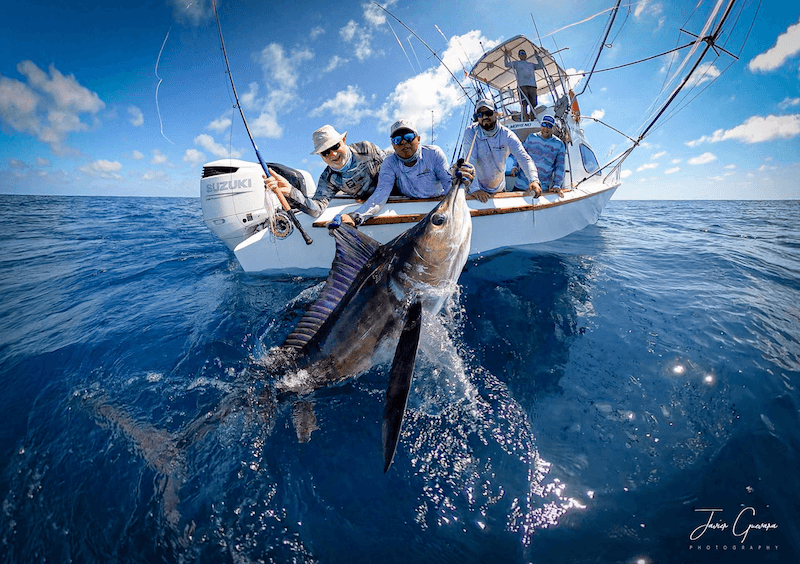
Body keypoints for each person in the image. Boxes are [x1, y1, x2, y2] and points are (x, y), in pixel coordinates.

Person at [333, 119, 475, 227]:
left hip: (437, 201)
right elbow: (380, 195)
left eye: (408, 137)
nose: (404, 143)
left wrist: (462, 181)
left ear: (418, 139)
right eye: (397, 140)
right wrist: (356, 216)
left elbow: (449, 186)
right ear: (393, 145)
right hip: (409, 200)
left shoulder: (434, 153)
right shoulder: (389, 163)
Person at [263, 125, 385, 218]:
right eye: (325, 152)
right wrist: (290, 191)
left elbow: (393, 166)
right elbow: (316, 209)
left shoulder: (366, 149)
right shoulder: (328, 179)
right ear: (320, 155)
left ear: (344, 140)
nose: (333, 154)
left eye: (335, 146)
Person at [461, 98, 541, 203]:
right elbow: (470, 161)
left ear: (496, 114)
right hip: (476, 190)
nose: (484, 117)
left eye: (488, 113)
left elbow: (523, 158)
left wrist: (534, 180)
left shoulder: (507, 135)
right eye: (480, 115)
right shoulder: (470, 132)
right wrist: (475, 189)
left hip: (499, 190)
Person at [522, 114, 566, 196]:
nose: (546, 128)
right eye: (544, 124)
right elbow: (521, 155)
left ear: (553, 128)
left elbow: (560, 166)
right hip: (521, 184)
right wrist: (514, 167)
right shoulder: (531, 137)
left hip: (542, 187)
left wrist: (557, 185)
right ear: (541, 125)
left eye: (549, 126)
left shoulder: (559, 144)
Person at [504, 48, 542, 122]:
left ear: (526, 55)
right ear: (518, 56)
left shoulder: (531, 64)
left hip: (532, 85)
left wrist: (537, 57)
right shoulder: (516, 63)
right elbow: (506, 64)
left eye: (523, 53)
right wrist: (505, 55)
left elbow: (541, 66)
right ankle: (525, 118)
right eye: (520, 53)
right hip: (522, 85)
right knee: (524, 104)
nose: (522, 55)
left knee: (533, 103)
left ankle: (531, 115)